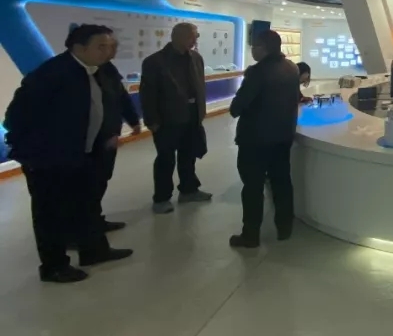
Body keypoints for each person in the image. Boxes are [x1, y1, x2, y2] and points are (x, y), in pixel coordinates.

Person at [3, 24, 134, 283]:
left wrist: (110, 132)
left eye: (111, 46)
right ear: (79, 48)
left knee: (87, 204)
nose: (108, 51)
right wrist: (35, 151)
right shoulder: (52, 74)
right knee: (51, 214)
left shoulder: (101, 70)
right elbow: (15, 118)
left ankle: (94, 250)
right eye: (101, 46)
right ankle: (54, 266)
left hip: (85, 154)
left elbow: (108, 104)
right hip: (49, 158)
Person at [228, 30, 300, 248]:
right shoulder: (291, 68)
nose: (252, 50)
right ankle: (285, 227)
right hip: (282, 137)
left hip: (255, 139)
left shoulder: (257, 72)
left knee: (252, 187)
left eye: (255, 46)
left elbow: (237, 107)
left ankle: (250, 234)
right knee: (282, 182)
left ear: (264, 48)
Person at [140, 22, 212, 214]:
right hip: (167, 119)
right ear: (177, 36)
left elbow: (199, 85)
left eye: (196, 36)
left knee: (188, 156)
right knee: (166, 159)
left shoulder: (196, 58)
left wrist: (200, 112)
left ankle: (189, 190)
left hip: (192, 116)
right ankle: (161, 198)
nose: (195, 40)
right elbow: (148, 94)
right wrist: (152, 121)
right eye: (192, 36)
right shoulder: (155, 62)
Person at [93, 28, 142, 232]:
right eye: (105, 46)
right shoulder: (73, 74)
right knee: (84, 186)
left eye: (113, 46)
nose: (112, 50)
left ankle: (94, 220)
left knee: (99, 181)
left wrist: (133, 121)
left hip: (107, 139)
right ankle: (79, 230)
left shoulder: (107, 69)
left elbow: (120, 97)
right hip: (88, 143)